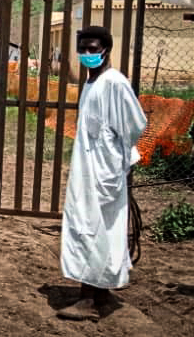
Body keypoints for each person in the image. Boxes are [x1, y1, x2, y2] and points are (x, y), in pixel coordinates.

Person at [57, 25, 147, 321]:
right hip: (88, 167)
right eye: (82, 49)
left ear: (106, 50)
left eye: (92, 49)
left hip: (103, 171)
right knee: (94, 227)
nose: (86, 54)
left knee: (92, 227)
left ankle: (88, 300)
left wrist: (116, 158)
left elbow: (134, 123)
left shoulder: (113, 83)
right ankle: (101, 292)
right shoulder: (92, 82)